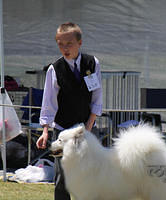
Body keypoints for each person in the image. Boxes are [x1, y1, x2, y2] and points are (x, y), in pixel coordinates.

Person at [36, 22, 102, 200]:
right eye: (60, 43)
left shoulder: (92, 63)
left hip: (87, 128)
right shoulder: (54, 69)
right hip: (62, 130)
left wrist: (89, 125)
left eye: (69, 43)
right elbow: (49, 102)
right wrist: (45, 131)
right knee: (62, 177)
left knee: (89, 174)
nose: (64, 48)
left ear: (79, 43)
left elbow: (97, 96)